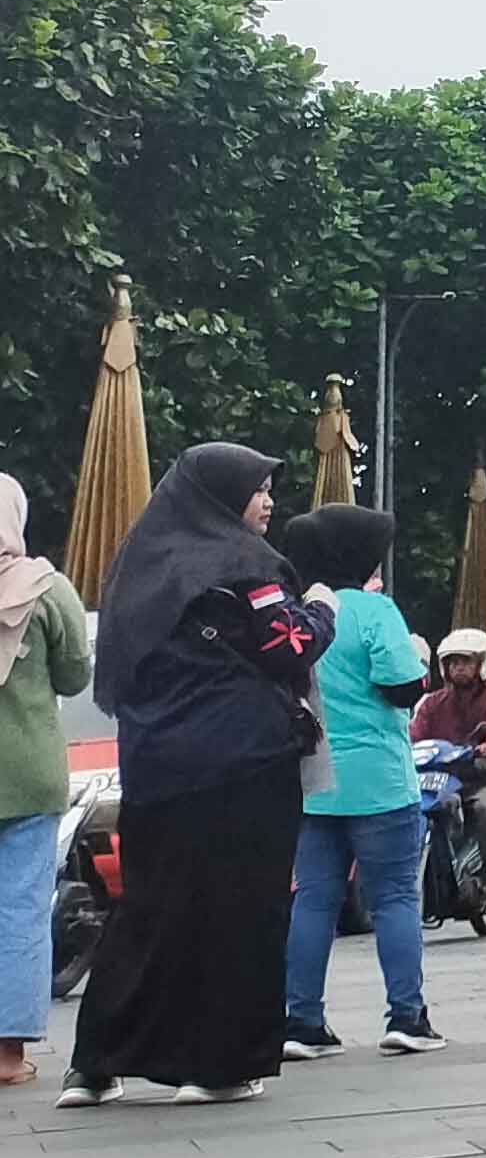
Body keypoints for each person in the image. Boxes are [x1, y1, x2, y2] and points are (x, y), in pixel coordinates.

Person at [65, 444, 331, 1106]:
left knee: (148, 911)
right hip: (243, 762)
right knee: (240, 907)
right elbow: (285, 644)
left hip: (156, 768)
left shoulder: (136, 564)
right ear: (220, 496)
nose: (268, 502)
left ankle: (95, 1064)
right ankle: (215, 1065)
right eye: (258, 489)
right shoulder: (246, 561)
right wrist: (325, 609)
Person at [279, 504, 440, 1058]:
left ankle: (301, 1022)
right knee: (395, 896)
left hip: (312, 779)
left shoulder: (298, 610)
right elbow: (402, 686)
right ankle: (407, 1018)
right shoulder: (374, 610)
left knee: (313, 900)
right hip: (378, 780)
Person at [0, 474, 95, 1089]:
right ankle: (6, 1055)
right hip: (28, 773)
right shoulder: (44, 586)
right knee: (19, 910)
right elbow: (73, 676)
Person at [411, 626, 486, 899]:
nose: (458, 668)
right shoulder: (432, 703)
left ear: (482, 664)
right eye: (453, 662)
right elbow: (414, 733)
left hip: (483, 775)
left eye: (465, 662)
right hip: (441, 779)